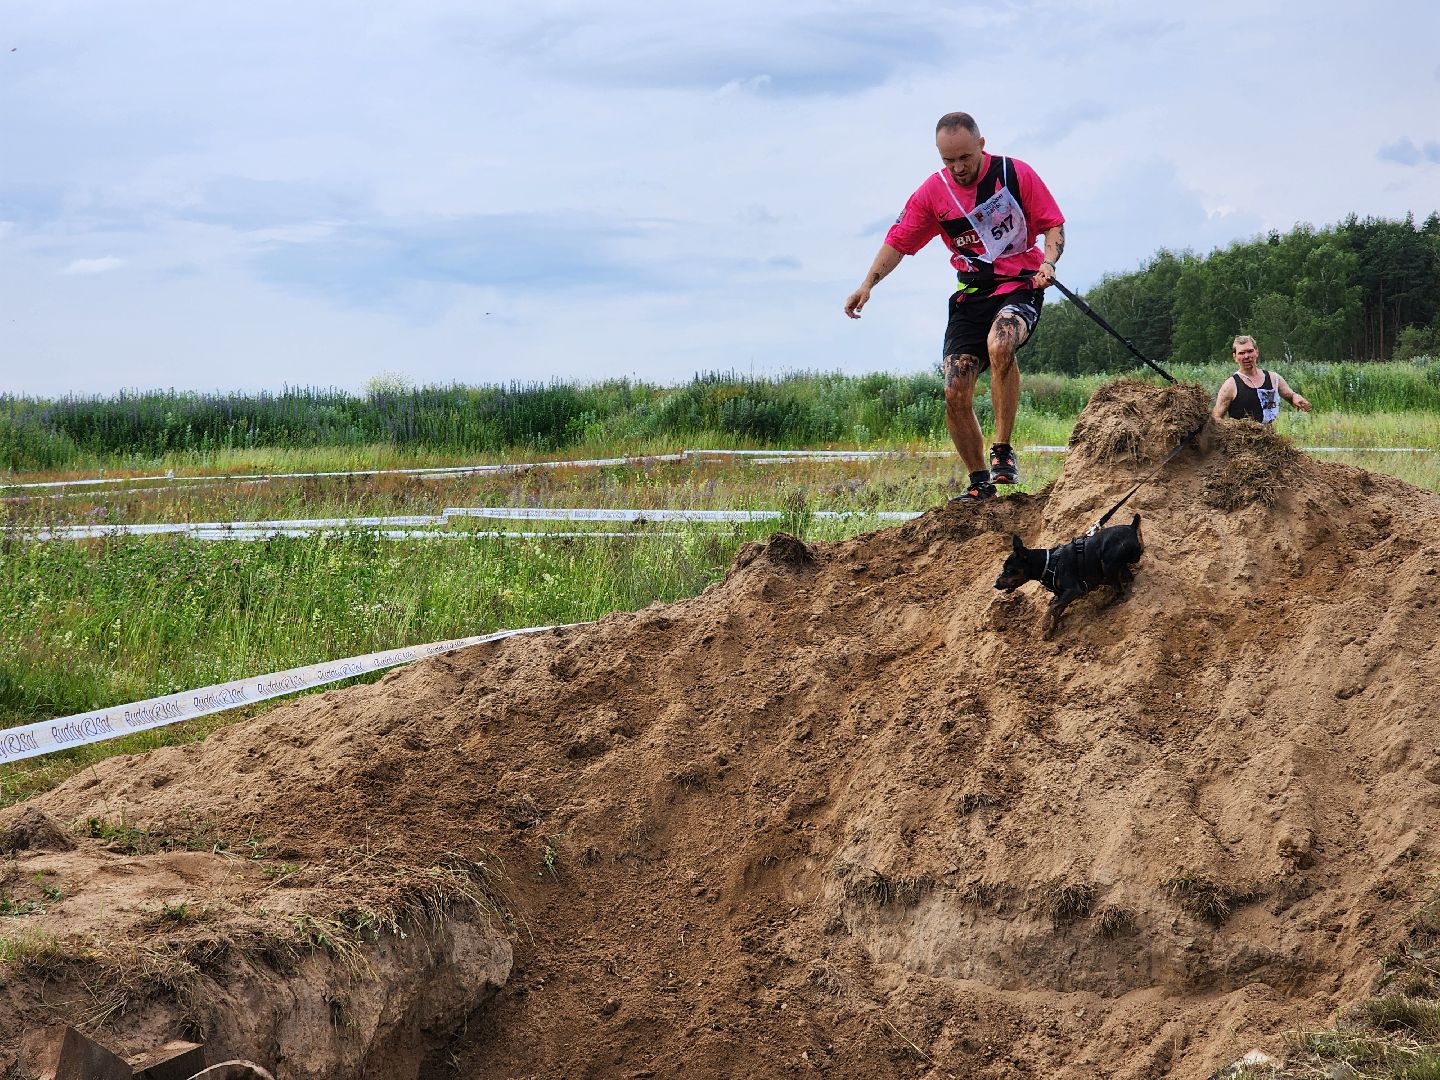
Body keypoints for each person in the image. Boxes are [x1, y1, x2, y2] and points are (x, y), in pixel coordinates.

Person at [844, 111, 1066, 502]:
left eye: (965, 158)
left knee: (1000, 344)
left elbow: (1053, 223)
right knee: (955, 389)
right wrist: (867, 285)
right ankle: (980, 483)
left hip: (1020, 285)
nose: (958, 168)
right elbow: (898, 242)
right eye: (948, 160)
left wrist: (1048, 263)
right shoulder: (934, 193)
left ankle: (1002, 451)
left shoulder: (1014, 174)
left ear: (981, 146)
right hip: (971, 295)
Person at [1211, 336, 1311, 424]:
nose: (1247, 356)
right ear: (1235, 357)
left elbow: (1290, 395)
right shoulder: (1230, 385)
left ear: (1257, 352)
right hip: (1241, 441)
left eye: (1250, 351)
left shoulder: (1273, 378)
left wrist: (1295, 397)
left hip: (1270, 439)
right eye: (1241, 353)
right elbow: (1216, 418)